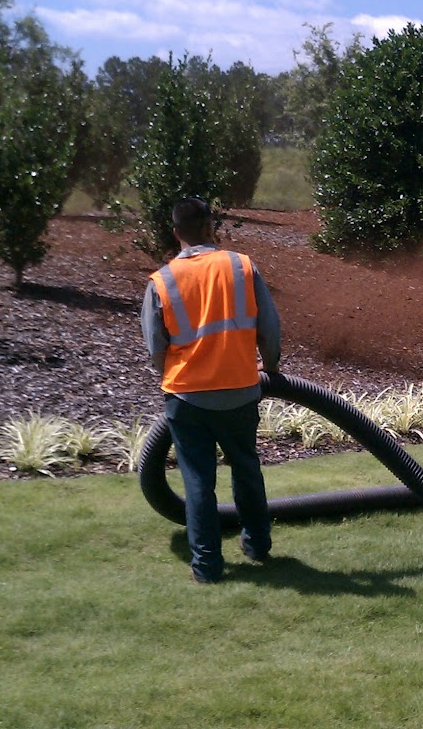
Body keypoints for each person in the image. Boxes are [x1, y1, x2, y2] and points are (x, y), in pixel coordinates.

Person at [141, 197, 282, 583]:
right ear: (210, 227)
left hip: (187, 398)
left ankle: (207, 566)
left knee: (198, 482)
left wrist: (175, 375)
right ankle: (257, 545)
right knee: (246, 469)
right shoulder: (242, 266)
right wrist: (269, 370)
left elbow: (156, 349)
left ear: (176, 232)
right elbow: (269, 329)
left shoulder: (162, 281)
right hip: (240, 391)